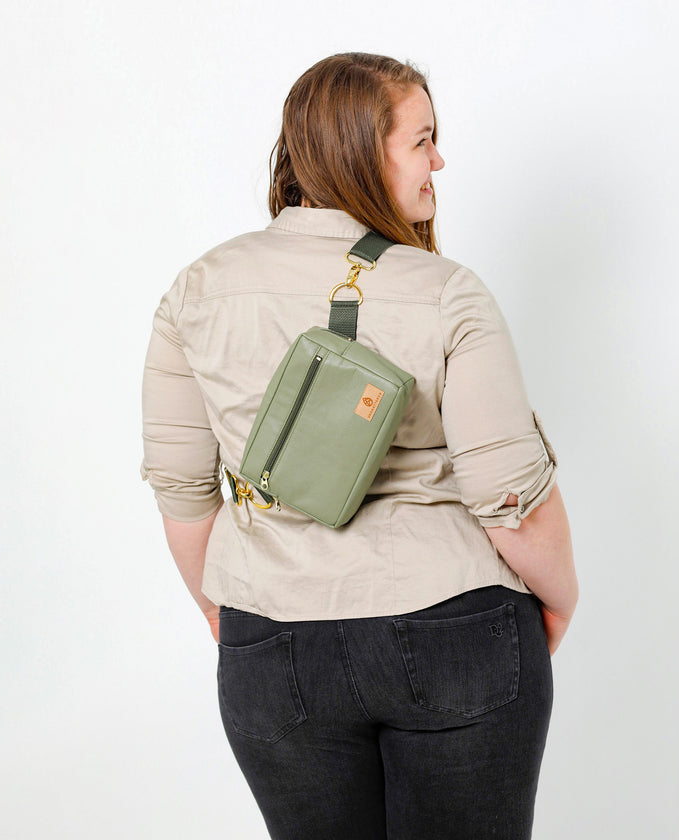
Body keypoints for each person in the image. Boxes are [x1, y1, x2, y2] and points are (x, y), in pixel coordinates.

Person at [141, 52, 577, 840]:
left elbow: (181, 489)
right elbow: (509, 501)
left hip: (270, 642)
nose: (439, 160)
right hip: (456, 627)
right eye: (423, 140)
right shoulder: (446, 290)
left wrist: (223, 608)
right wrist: (562, 599)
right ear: (362, 151)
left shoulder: (196, 290)